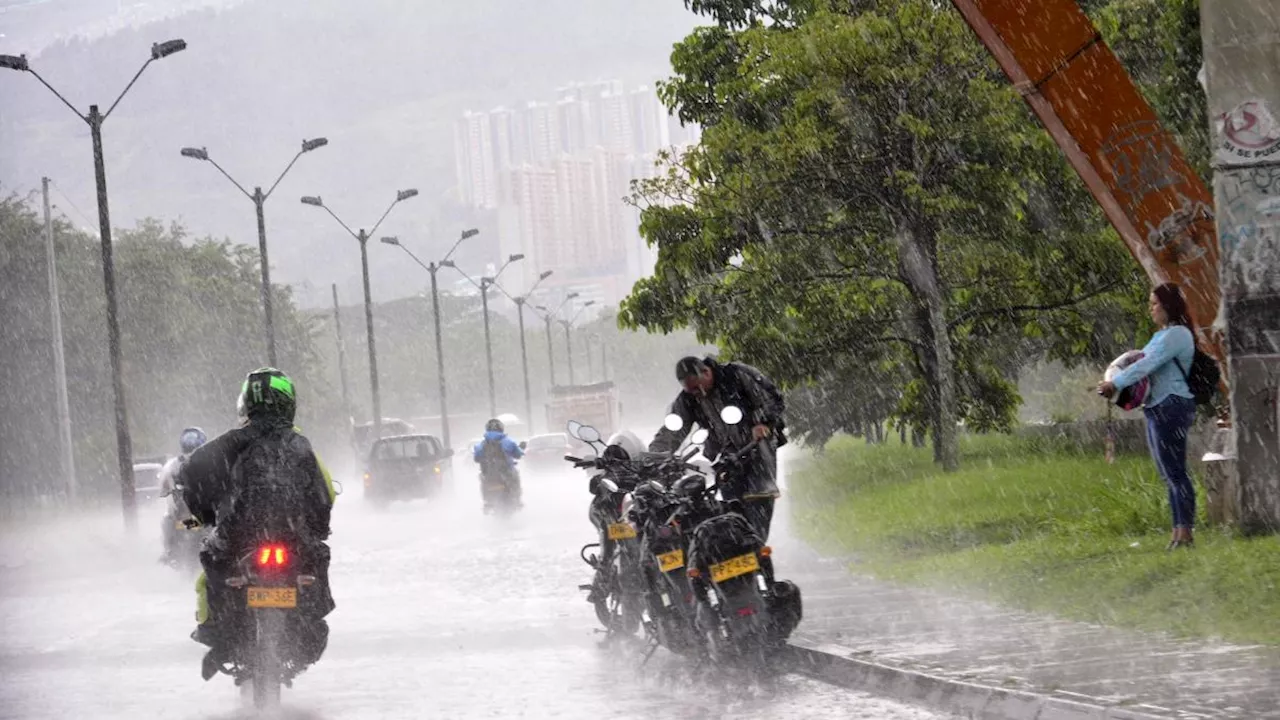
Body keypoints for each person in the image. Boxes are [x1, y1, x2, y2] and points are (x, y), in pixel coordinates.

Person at [179, 367, 337, 680]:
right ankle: (305, 627)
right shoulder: (301, 445)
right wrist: (317, 528)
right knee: (317, 560)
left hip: (241, 536)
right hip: (294, 537)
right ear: (287, 401)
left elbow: (193, 472)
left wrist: (205, 514)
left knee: (211, 559)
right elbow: (324, 495)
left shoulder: (234, 442)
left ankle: (219, 635)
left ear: (249, 403)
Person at [1098, 283, 1198, 550]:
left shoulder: (1178, 334)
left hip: (1172, 404)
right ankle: (1177, 533)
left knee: (1177, 472)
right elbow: (1140, 361)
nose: (1151, 309)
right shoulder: (1160, 336)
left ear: (1168, 306)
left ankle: (1185, 533)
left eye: (1154, 303)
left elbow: (1146, 364)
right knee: (1168, 473)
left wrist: (1115, 384)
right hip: (1155, 406)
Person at [649, 356, 786, 540]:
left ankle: (757, 550)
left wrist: (763, 423)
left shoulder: (736, 375)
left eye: (697, 387)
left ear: (706, 372)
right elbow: (673, 431)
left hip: (757, 450)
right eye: (690, 390)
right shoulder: (689, 398)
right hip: (727, 458)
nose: (696, 393)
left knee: (758, 502)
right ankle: (732, 552)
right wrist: (653, 457)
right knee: (729, 508)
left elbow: (773, 398)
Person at [158, 426, 207, 564]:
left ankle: (169, 552)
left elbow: (162, 489)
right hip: (202, 520)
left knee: (167, 521)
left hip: (194, 521)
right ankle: (170, 552)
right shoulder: (211, 461)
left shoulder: (173, 465)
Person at [473, 418, 524, 510]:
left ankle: (487, 501)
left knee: (483, 479)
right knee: (515, 476)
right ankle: (517, 499)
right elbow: (518, 454)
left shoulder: (481, 445)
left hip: (489, 474)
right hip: (506, 473)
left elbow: (476, 458)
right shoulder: (508, 442)